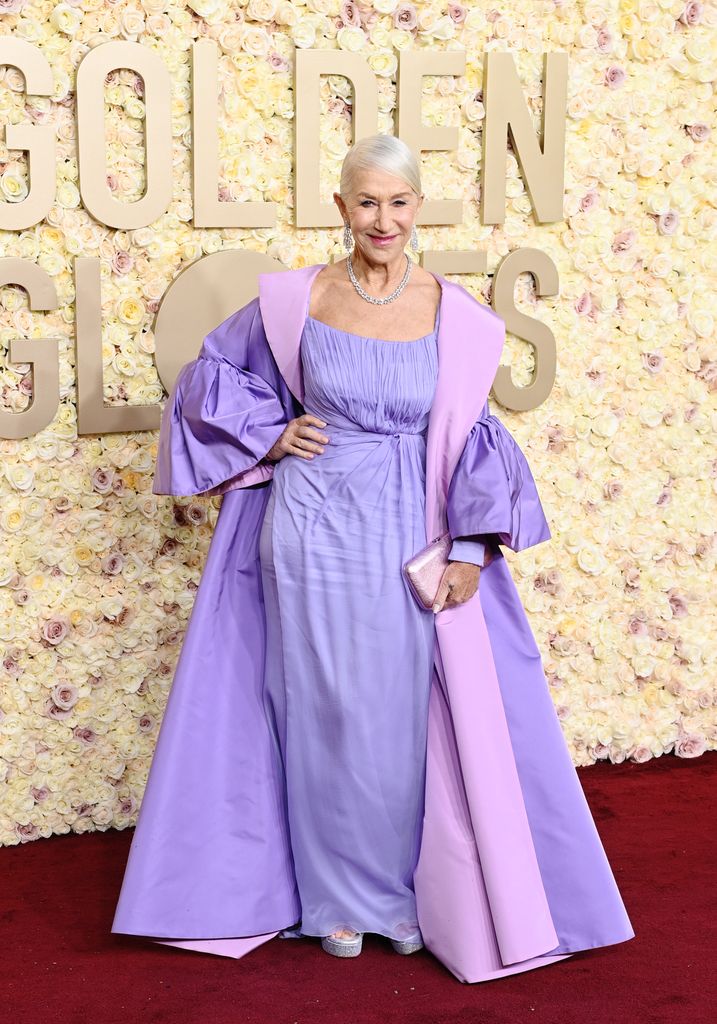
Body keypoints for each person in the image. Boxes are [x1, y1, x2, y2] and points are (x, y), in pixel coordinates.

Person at [112, 134, 635, 982]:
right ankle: (333, 901)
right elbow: (207, 379)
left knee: (398, 718)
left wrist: (469, 547)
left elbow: (471, 437)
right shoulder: (294, 300)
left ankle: (397, 895)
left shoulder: (460, 316)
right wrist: (270, 433)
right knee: (323, 710)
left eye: (397, 202)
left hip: (411, 531)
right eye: (365, 201)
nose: (381, 219)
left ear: (416, 208)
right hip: (309, 524)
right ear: (342, 207)